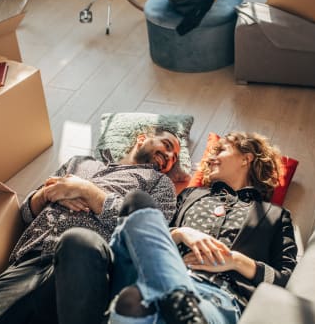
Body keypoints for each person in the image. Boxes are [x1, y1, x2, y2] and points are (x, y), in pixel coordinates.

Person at [0, 127, 181, 324]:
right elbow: (27, 213)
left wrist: (87, 191)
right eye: (167, 145)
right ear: (142, 138)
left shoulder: (160, 184)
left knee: (78, 241)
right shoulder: (80, 163)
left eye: (174, 158)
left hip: (85, 266)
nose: (169, 157)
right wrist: (49, 193)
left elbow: (148, 233)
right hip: (30, 259)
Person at [108, 131, 298, 324]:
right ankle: (177, 298)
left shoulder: (275, 215)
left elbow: (287, 279)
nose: (210, 158)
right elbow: (151, 241)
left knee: (131, 301)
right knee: (137, 201)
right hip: (168, 277)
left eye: (221, 150)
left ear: (246, 158)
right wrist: (181, 233)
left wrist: (235, 261)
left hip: (219, 298)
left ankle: (181, 305)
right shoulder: (190, 195)